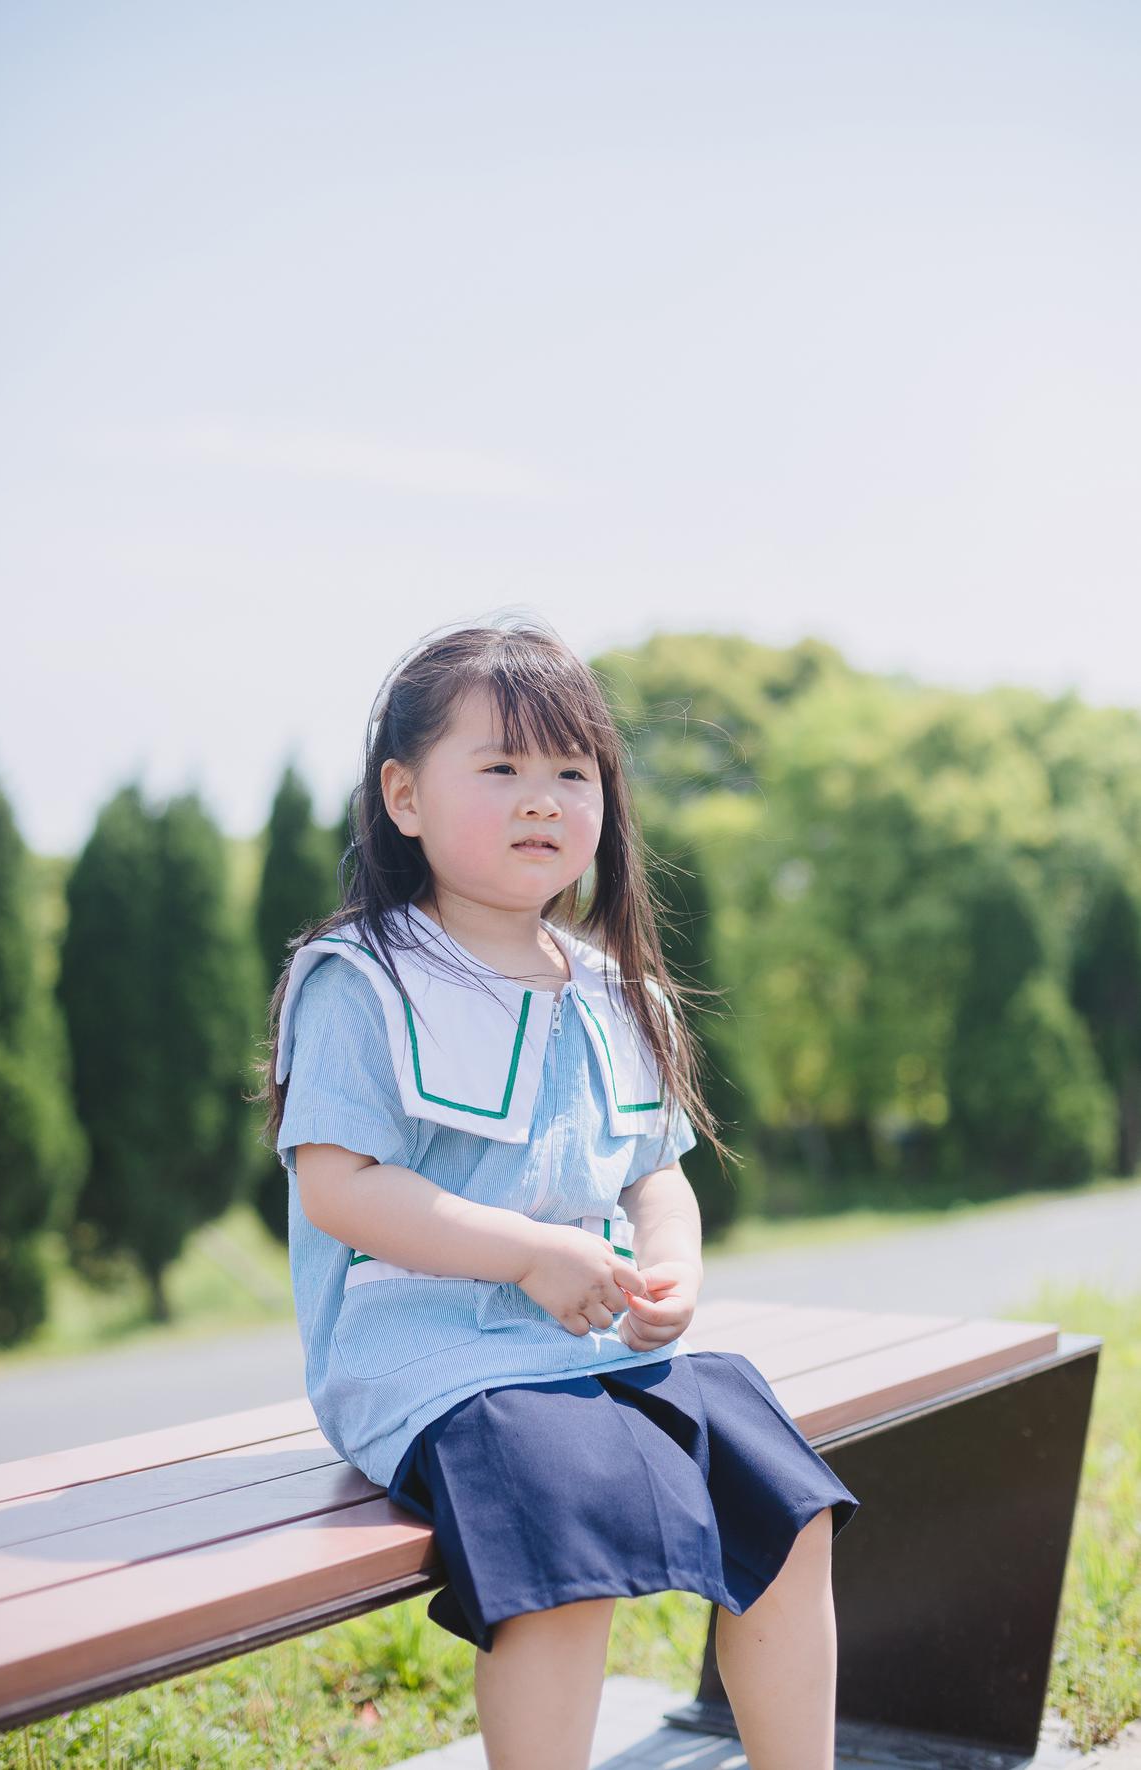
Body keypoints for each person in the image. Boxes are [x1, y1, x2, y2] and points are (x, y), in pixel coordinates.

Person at [258, 615, 860, 1770]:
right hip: (428, 1359)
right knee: (566, 1529)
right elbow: (340, 1190)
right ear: (403, 796)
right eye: (499, 767)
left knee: (783, 1502)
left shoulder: (612, 988)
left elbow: (656, 1176)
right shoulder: (363, 980)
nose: (541, 799)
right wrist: (528, 1254)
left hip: (585, 1347)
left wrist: (671, 1265)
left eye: (571, 773)